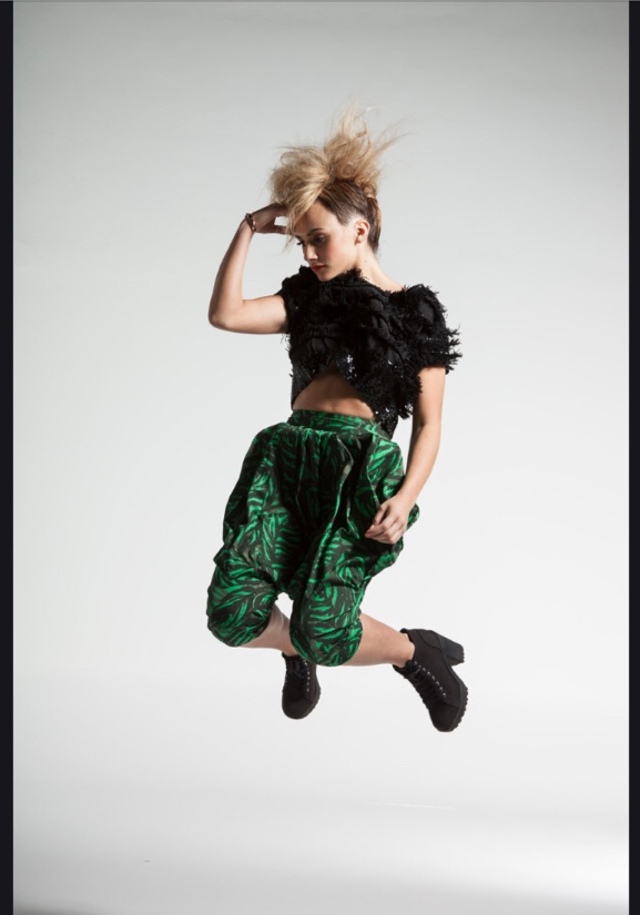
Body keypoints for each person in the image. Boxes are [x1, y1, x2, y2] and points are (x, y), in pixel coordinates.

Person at [205, 108, 467, 732]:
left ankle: (415, 653)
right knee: (231, 611)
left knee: (325, 626)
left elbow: (429, 424)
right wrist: (248, 226)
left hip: (359, 469)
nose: (308, 252)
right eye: (301, 241)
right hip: (287, 459)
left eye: (318, 238)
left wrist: (407, 496)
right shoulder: (305, 296)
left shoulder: (415, 313)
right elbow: (226, 314)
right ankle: (296, 649)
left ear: (361, 229)